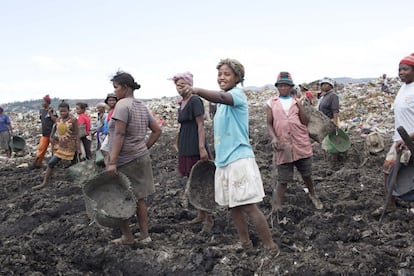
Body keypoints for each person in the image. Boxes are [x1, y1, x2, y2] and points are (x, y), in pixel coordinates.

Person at [184, 58, 278, 253]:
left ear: (237, 77)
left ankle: (271, 246)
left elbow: (221, 97)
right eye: (219, 74)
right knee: (233, 207)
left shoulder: (237, 95)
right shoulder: (221, 105)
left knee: (250, 206)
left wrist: (198, 91)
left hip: (239, 159)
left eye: (227, 74)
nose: (222, 78)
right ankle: (245, 244)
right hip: (224, 162)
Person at [107, 71, 162, 245]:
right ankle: (145, 235)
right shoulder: (141, 106)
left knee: (120, 198)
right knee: (140, 198)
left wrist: (113, 161)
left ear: (125, 87)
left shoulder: (122, 106)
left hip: (125, 160)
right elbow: (157, 130)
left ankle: (128, 236)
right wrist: (144, 147)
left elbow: (120, 133)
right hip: (140, 157)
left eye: (116, 87)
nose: (115, 91)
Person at [267, 72, 323, 212]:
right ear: (277, 87)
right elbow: (269, 123)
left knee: (307, 174)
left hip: (300, 142)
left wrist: (300, 105)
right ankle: (277, 206)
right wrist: (274, 137)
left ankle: (313, 194)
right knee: (283, 179)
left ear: (291, 87)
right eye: (281, 85)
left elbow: (305, 121)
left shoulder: (296, 102)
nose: (284, 88)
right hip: (283, 144)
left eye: (286, 85)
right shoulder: (271, 103)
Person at [169, 71, 214, 233]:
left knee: (202, 180)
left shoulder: (195, 100)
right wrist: (177, 140)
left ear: (190, 85)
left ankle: (208, 218)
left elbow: (200, 125)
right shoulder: (181, 102)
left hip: (195, 143)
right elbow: (182, 125)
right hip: (185, 143)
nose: (179, 88)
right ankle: (200, 214)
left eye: (182, 85)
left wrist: (202, 147)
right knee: (191, 178)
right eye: (177, 85)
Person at [379, 53, 414, 212]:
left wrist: (409, 137)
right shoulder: (403, 88)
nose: (400, 72)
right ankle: (390, 204)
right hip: (399, 140)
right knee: (388, 170)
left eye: (405, 69)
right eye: (399, 69)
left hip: (410, 140)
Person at [33, 101, 81, 190]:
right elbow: (54, 127)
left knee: (75, 165)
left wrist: (78, 148)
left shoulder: (73, 120)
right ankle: (45, 182)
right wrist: (51, 137)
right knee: (51, 163)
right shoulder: (58, 119)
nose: (62, 113)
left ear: (69, 110)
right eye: (61, 111)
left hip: (71, 147)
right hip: (61, 147)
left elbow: (77, 134)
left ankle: (78, 183)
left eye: (64, 111)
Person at [32, 95, 58, 168]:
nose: (42, 103)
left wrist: (50, 113)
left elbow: (56, 120)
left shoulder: (52, 110)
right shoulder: (42, 111)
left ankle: (55, 163)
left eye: (43, 101)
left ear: (47, 102)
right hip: (45, 134)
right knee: (41, 149)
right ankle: (37, 164)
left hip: (52, 134)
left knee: (55, 150)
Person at [100, 93, 117, 160]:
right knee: (105, 149)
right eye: (110, 100)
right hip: (109, 133)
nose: (111, 102)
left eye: (113, 100)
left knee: (105, 149)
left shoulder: (116, 110)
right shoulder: (110, 111)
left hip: (114, 134)